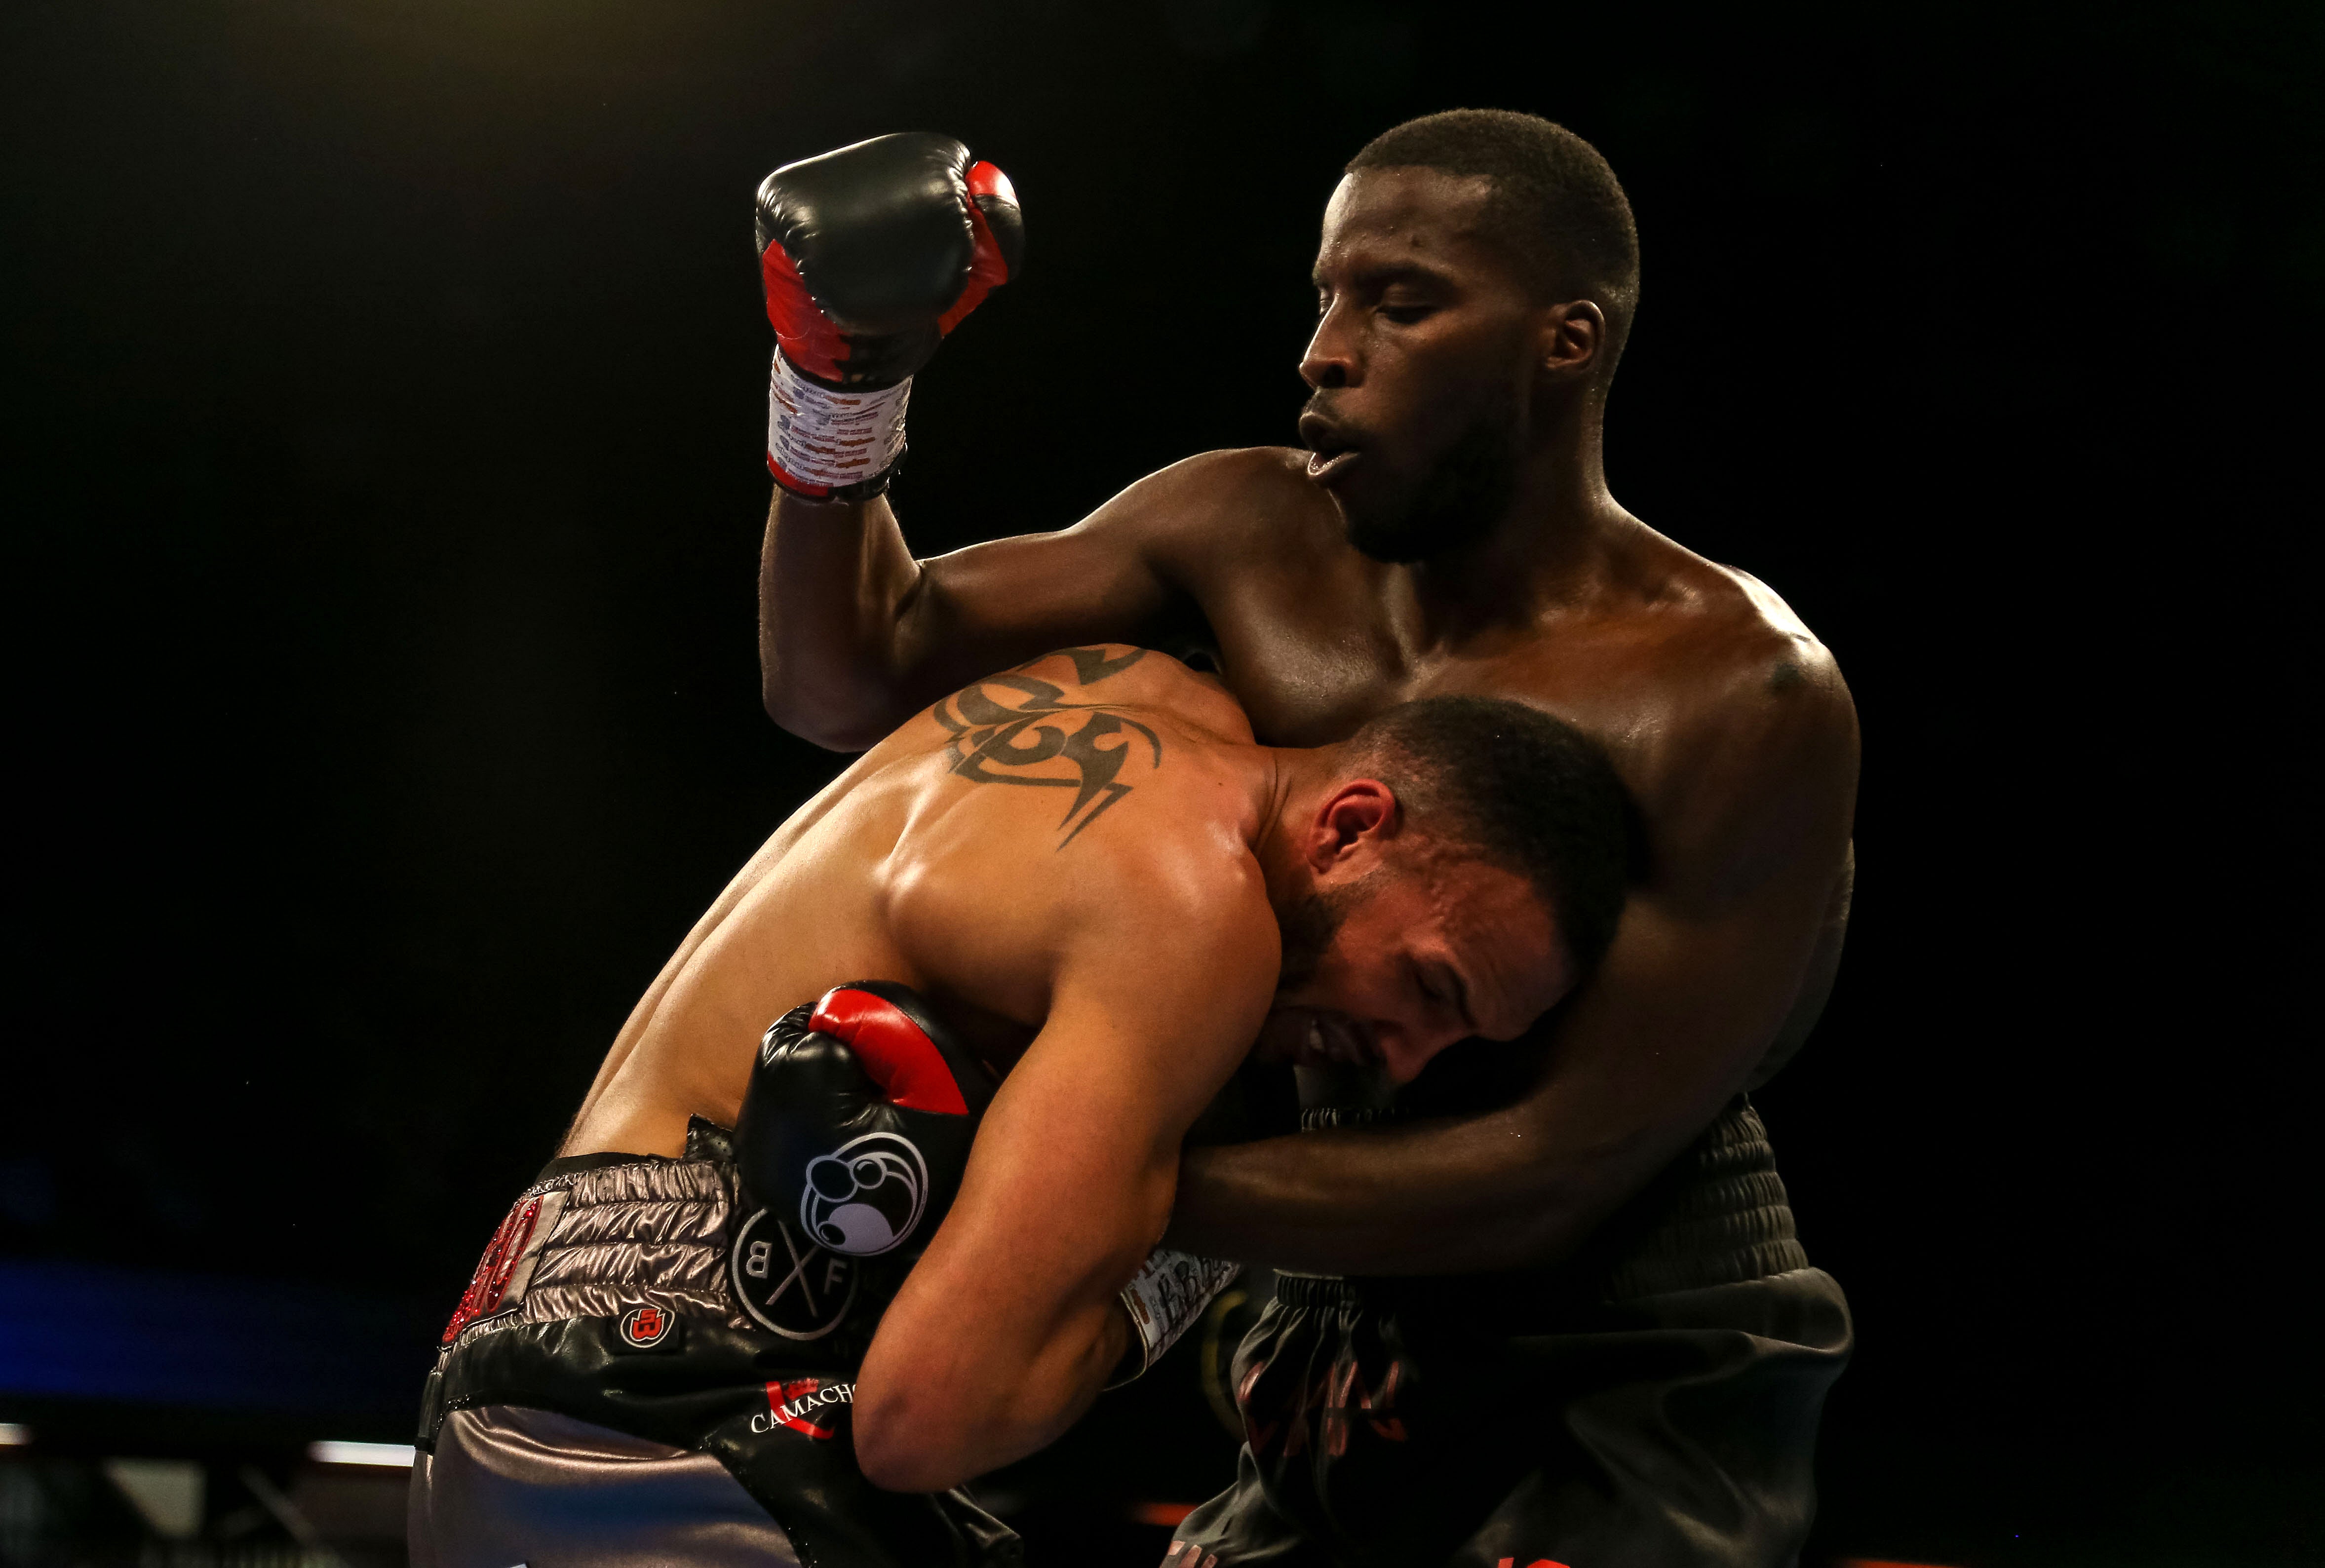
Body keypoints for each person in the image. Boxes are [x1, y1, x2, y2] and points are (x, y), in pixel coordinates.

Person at [755, 112, 1860, 1566]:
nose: (1323, 351)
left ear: (1564, 341)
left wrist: (1051, 1171)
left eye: (1396, 303)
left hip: (1622, 1344)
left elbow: (1551, 1166)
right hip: (1319, 1325)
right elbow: (843, 679)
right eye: (1326, 297)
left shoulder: (1733, 691)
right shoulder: (1246, 533)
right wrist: (840, 385)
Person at [407, 637, 1637, 1568]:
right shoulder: (1196, 917)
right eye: (1430, 985)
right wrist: (1149, 1280)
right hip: (700, 1436)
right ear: (1354, 824)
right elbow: (927, 1418)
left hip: (511, 1372)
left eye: (1455, 1039)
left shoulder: (1131, 686)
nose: (1402, 1056)